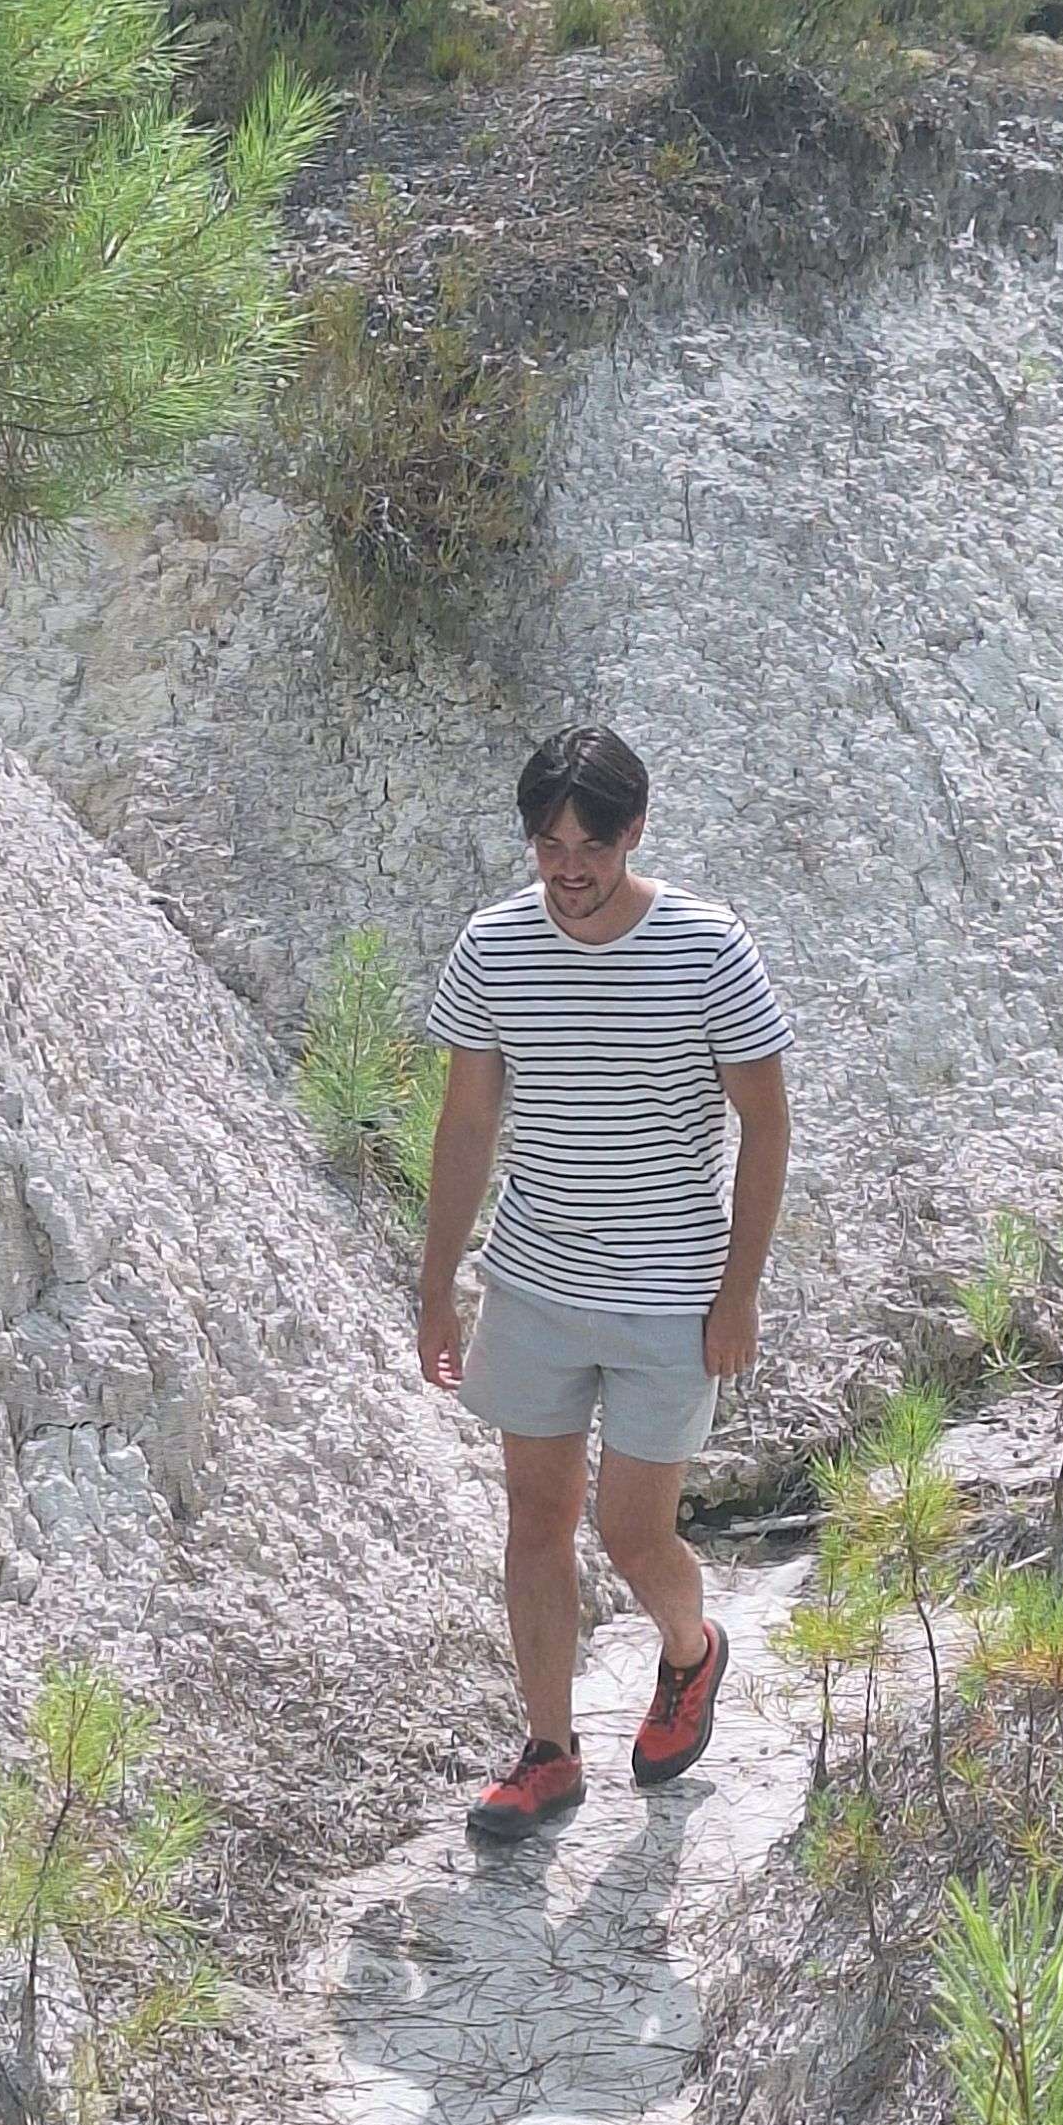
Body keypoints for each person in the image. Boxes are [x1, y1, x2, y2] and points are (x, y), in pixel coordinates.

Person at [419, 726, 792, 1844]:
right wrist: (437, 1283)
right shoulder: (493, 947)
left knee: (634, 1533)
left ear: (634, 833)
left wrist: (738, 1292)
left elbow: (766, 1124)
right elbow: (467, 1123)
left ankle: (690, 1649)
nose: (568, 869)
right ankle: (548, 1752)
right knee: (535, 1517)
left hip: (667, 1292)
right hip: (533, 1283)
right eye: (548, 845)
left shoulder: (707, 948)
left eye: (590, 845)